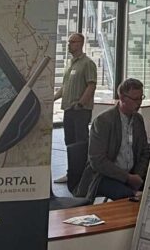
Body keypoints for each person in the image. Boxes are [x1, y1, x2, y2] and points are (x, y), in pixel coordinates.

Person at [75, 78, 150, 200]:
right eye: (135, 99)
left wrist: (138, 175)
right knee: (127, 196)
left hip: (133, 173)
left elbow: (145, 152)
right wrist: (127, 178)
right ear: (122, 98)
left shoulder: (138, 119)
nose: (139, 103)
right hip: (105, 176)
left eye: (141, 98)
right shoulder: (103, 121)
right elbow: (97, 161)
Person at [52, 33, 98, 191]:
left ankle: (84, 177)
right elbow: (64, 87)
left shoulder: (87, 63)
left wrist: (81, 103)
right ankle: (71, 173)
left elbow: (91, 85)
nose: (69, 44)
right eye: (69, 42)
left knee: (81, 143)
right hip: (68, 110)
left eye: (72, 42)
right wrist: (52, 99)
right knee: (70, 142)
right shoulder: (70, 64)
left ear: (80, 43)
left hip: (80, 111)